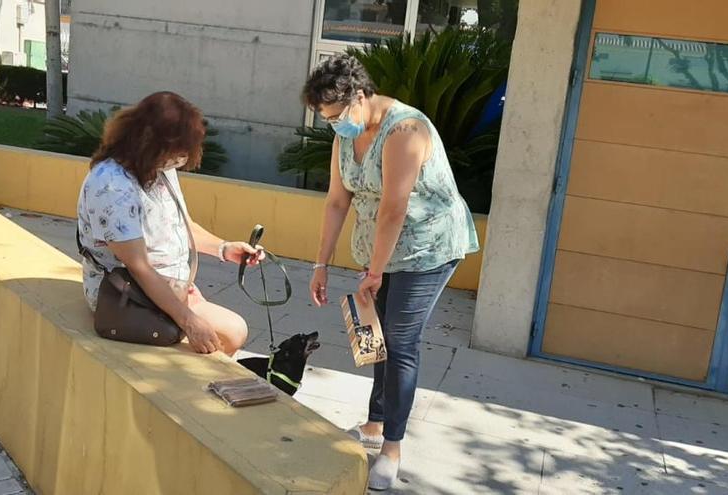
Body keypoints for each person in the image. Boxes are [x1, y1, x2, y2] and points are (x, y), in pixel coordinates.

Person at [303, 54, 480, 490]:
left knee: (400, 342)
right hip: (381, 249)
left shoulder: (405, 130)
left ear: (359, 97)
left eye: (335, 115)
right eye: (326, 118)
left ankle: (392, 448)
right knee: (376, 336)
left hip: (427, 247)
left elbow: (393, 208)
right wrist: (321, 264)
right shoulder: (345, 135)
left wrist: (375, 273)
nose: (333, 124)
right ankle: (376, 423)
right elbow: (336, 201)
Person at [77, 91, 263, 355]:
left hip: (167, 284)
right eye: (177, 154)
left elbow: (180, 225)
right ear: (152, 145)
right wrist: (188, 319)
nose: (182, 160)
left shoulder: (158, 168)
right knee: (231, 331)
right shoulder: (111, 185)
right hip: (127, 294)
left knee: (228, 334)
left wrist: (224, 248)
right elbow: (138, 267)